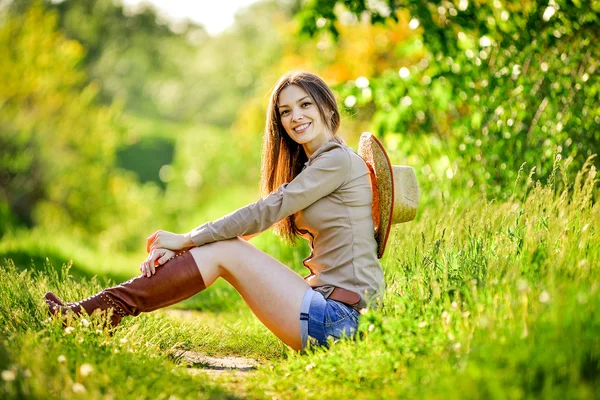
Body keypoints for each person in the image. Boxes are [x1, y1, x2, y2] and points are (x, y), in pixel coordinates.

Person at [45, 70, 387, 351]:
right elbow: (259, 220)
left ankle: (97, 313)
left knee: (224, 248)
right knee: (223, 246)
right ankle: (98, 313)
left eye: (304, 105)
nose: (295, 116)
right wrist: (192, 244)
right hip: (331, 312)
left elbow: (269, 209)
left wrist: (185, 239)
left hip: (343, 322)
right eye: (285, 111)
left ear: (327, 108)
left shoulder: (337, 162)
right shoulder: (321, 163)